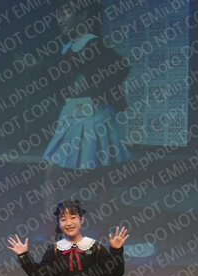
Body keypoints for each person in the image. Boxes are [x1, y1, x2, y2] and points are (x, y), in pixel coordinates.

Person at [43, 0, 131, 211]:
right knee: (52, 171)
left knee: (99, 176)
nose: (61, 20)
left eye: (66, 13)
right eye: (58, 15)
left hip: (93, 114)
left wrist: (97, 88)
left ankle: (107, 226)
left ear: (82, 16)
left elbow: (122, 67)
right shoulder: (68, 48)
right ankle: (51, 224)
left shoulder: (93, 44)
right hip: (71, 112)